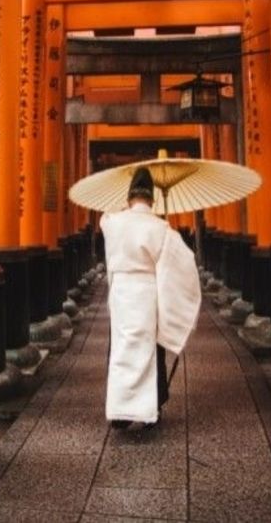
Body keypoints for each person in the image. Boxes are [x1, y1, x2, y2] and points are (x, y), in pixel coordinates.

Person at [100, 167, 201, 429]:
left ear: (129, 197)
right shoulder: (161, 228)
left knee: (121, 349)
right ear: (152, 199)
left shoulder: (112, 223)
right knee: (150, 349)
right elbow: (182, 263)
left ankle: (120, 412)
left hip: (121, 293)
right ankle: (149, 409)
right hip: (147, 292)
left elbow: (105, 221)